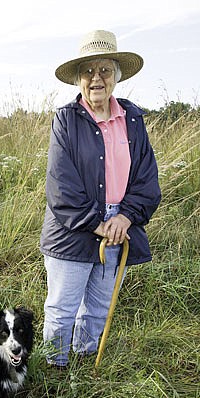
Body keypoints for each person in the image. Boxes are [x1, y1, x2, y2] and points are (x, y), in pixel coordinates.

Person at [40, 30, 161, 368]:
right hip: (73, 228)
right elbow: (61, 186)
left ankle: (84, 365)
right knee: (63, 308)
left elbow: (147, 178)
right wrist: (97, 224)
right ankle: (55, 372)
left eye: (105, 70)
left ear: (116, 77)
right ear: (78, 79)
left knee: (99, 308)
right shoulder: (66, 120)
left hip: (120, 225)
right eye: (88, 71)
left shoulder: (133, 119)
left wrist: (124, 218)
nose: (97, 78)